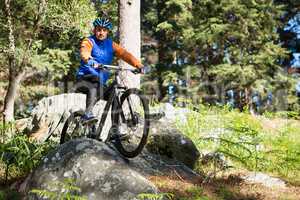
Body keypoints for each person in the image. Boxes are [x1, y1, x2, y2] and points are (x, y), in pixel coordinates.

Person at [76, 16, 147, 123]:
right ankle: (87, 114)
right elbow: (84, 51)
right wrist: (90, 60)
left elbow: (125, 54)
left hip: (100, 83)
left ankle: (115, 130)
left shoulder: (111, 44)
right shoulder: (89, 41)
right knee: (95, 82)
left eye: (104, 30)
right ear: (94, 30)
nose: (101, 32)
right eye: (99, 29)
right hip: (84, 79)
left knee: (114, 98)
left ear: (107, 32)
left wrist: (138, 65)